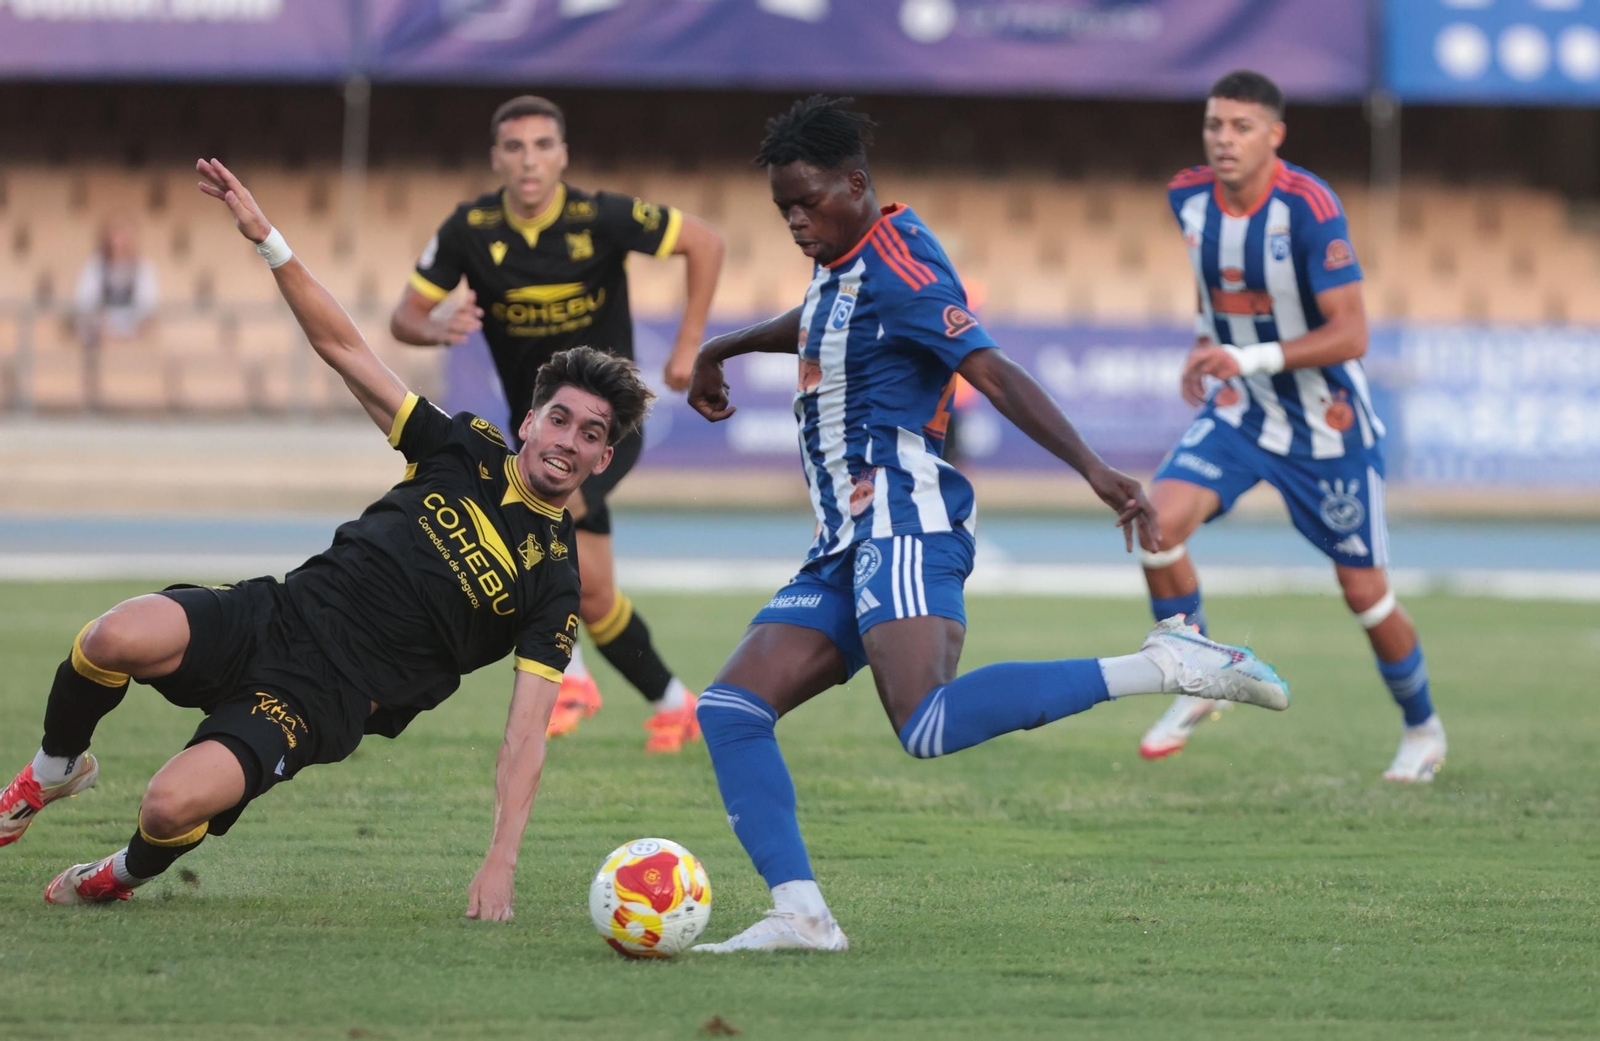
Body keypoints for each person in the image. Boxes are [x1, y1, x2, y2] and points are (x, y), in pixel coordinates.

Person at [682, 96, 1292, 954]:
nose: (794, 220)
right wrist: (725, 348)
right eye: (784, 206)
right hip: (845, 538)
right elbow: (823, 319)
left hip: (902, 517)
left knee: (925, 723)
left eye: (807, 201)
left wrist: (1093, 468)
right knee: (730, 706)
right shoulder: (844, 249)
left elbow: (994, 372)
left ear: (854, 184)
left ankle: (1166, 661)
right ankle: (803, 916)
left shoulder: (906, 271)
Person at [0, 159, 653, 919]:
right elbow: (346, 350)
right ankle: (54, 768)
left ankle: (122, 869)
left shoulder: (556, 582)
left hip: (319, 698)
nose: (570, 441)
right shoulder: (460, 447)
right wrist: (269, 241)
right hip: (274, 613)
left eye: (593, 434)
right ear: (530, 420)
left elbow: (525, 733)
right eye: (562, 419)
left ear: (605, 458)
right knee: (113, 633)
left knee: (169, 803)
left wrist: (500, 860)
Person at [1134, 71, 1445, 782]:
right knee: (1155, 523)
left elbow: (1354, 333)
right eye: (1215, 124)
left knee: (1365, 592)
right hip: (1243, 413)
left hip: (1326, 428)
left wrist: (1245, 356)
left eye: (1242, 127)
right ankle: (1198, 675)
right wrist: (1203, 341)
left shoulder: (1308, 207)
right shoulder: (1187, 196)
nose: (1224, 139)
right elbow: (1215, 285)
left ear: (1275, 135)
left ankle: (1423, 728)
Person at [390, 95, 724, 753]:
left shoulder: (599, 217)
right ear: (496, 159)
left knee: (542, 513)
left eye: (543, 145)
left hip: (610, 428)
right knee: (595, 594)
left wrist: (688, 347)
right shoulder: (469, 229)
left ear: (563, 155)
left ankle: (569, 675)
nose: (529, 161)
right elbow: (404, 316)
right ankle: (677, 704)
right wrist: (435, 327)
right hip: (542, 436)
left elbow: (704, 241)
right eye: (514, 148)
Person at [73, 217, 159, 406]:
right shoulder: (95, 267)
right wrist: (104, 328)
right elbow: (85, 302)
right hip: (102, 330)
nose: (118, 243)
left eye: (123, 238)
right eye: (114, 237)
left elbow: (148, 305)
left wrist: (131, 332)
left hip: (133, 330)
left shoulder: (143, 268)